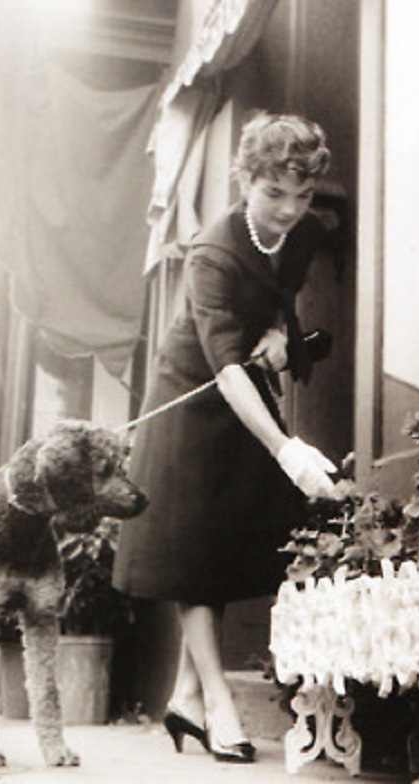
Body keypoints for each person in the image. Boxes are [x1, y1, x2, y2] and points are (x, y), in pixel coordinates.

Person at [112, 110, 337, 763]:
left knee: (214, 551)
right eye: (274, 194)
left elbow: (280, 294)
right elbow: (226, 368)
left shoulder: (302, 233)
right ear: (245, 182)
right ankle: (217, 702)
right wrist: (286, 449)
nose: (289, 210)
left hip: (240, 391)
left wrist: (277, 329)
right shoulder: (210, 252)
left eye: (302, 195)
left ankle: (184, 700)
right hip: (194, 396)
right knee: (193, 555)